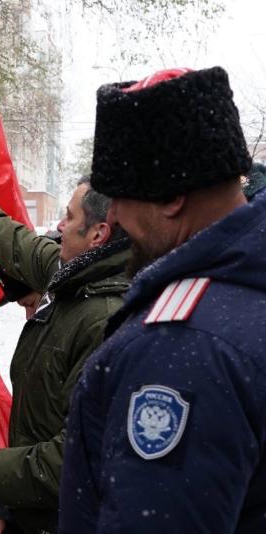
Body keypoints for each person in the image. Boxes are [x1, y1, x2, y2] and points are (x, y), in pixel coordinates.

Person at [58, 67, 266, 533]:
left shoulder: (181, 345)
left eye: (120, 197)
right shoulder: (246, 294)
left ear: (172, 197)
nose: (112, 217)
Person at [0, 169, 130, 533]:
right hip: (31, 512)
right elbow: (14, 242)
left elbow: (71, 456)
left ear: (98, 235)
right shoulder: (73, 276)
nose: (60, 224)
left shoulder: (103, 320)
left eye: (70, 217)